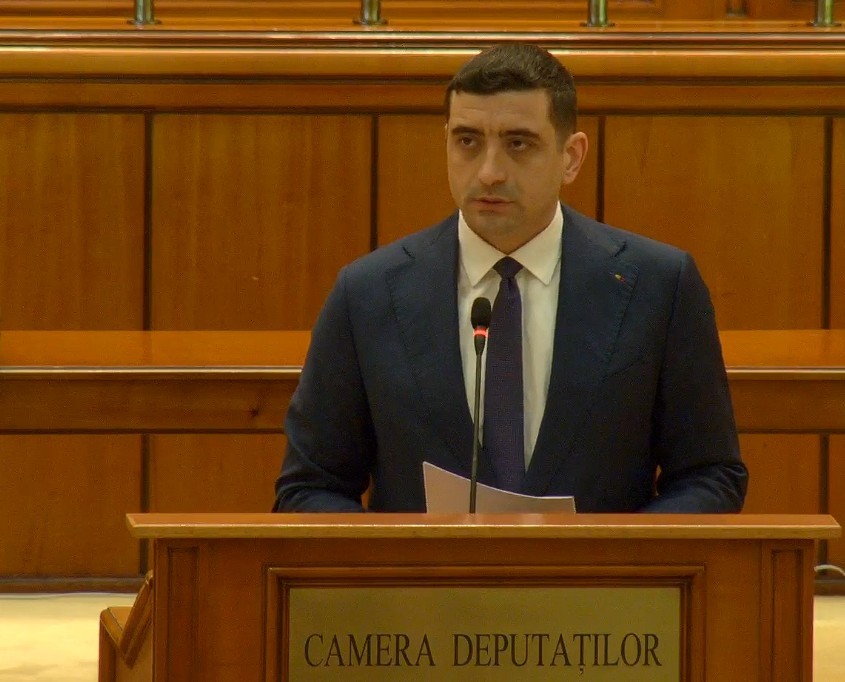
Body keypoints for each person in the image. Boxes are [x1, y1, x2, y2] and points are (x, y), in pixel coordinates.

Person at [273, 42, 748, 513]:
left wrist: (617, 553)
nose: (489, 172)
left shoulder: (658, 286)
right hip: (424, 567)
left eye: (518, 144)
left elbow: (710, 475)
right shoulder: (368, 293)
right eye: (467, 141)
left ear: (571, 156)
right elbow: (310, 488)